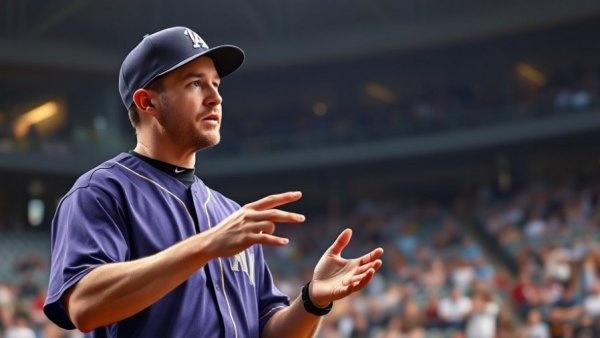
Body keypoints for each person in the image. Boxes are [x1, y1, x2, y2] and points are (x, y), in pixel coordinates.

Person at [43, 26, 384, 337]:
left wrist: (312, 301)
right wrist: (208, 244)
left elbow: (268, 330)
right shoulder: (102, 192)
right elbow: (84, 306)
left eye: (216, 84)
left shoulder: (228, 213)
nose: (215, 97)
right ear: (147, 101)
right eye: (194, 84)